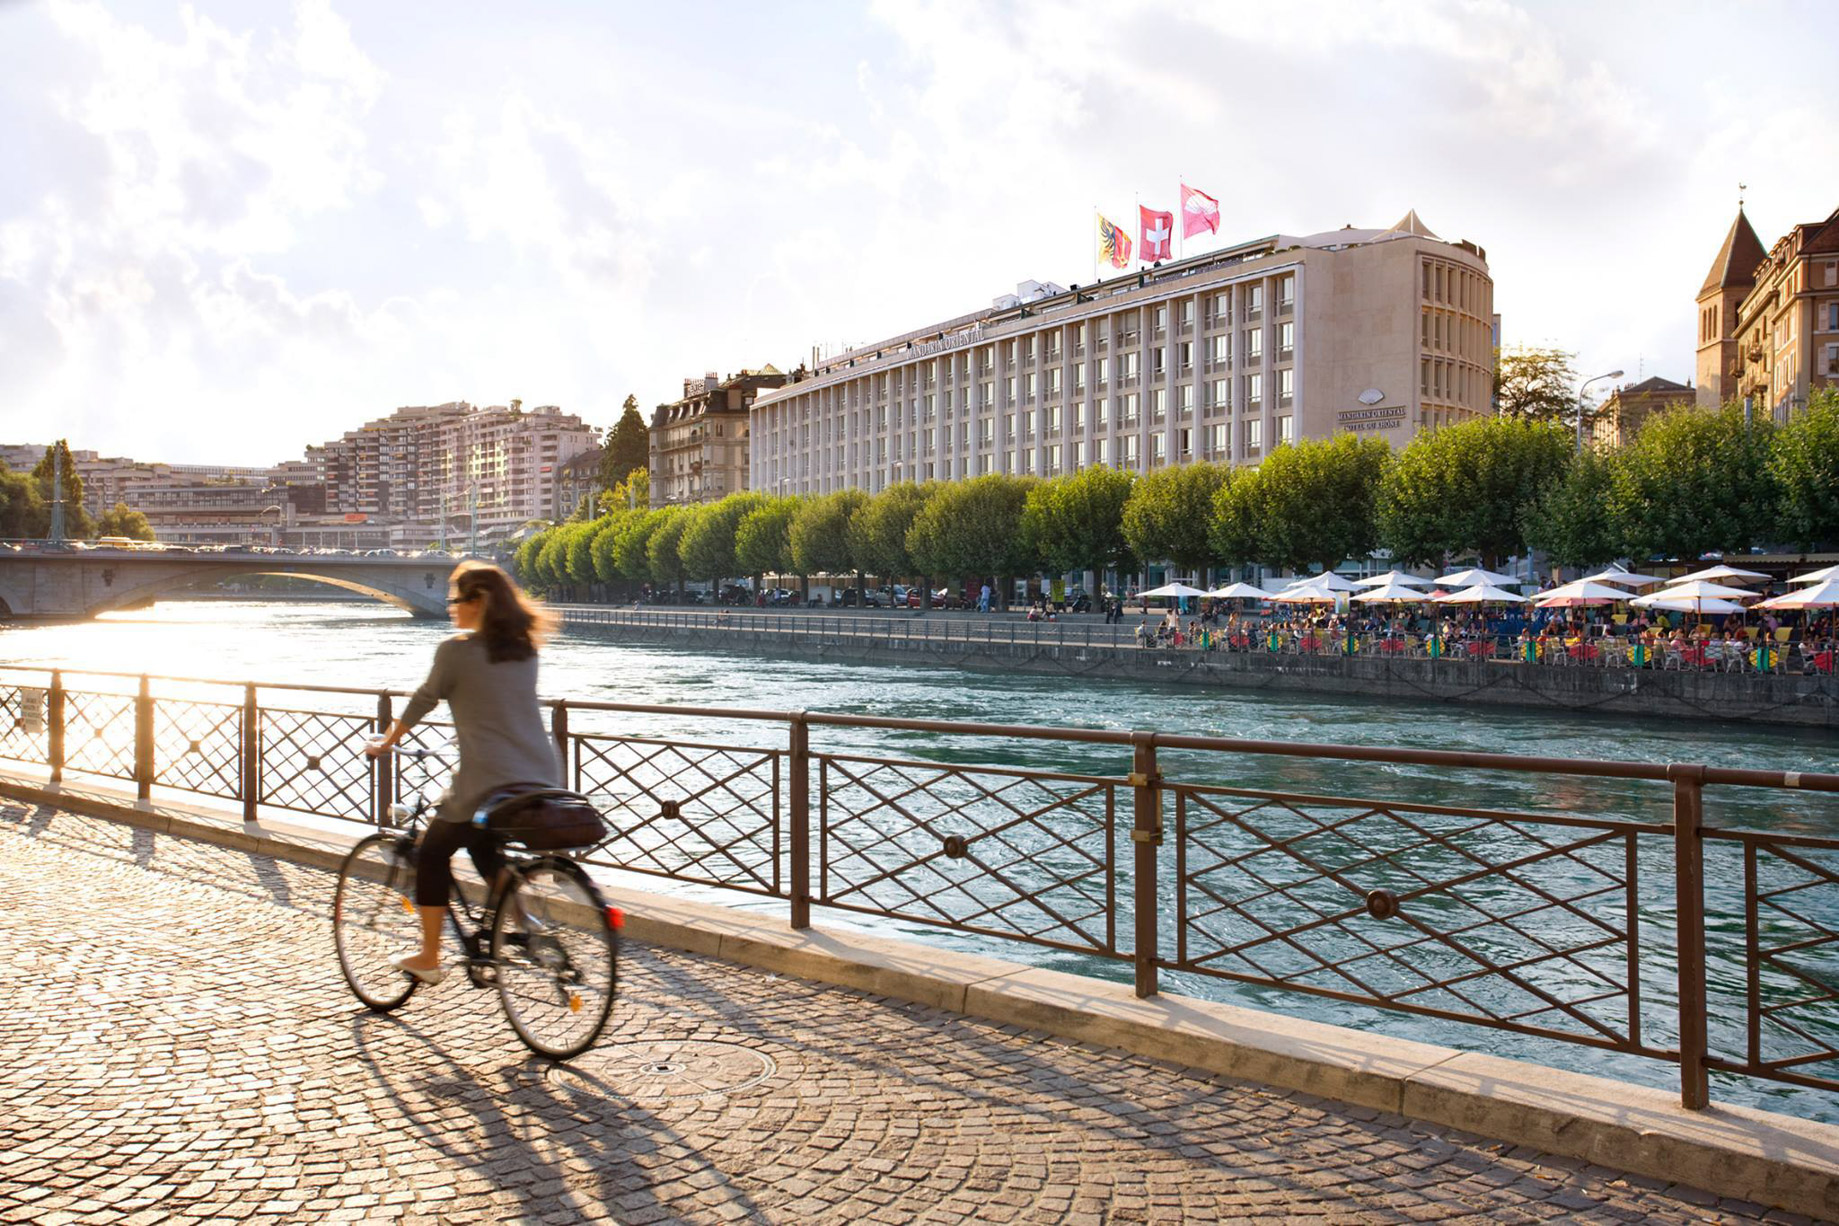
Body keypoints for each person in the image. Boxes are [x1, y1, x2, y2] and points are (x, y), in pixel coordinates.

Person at [364, 561, 561, 985]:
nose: (450, 606)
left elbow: (423, 699)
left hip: (488, 778)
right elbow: (498, 706)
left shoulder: (455, 650)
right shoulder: (524, 648)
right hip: (540, 771)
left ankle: (429, 957)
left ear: (479, 601)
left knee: (432, 853)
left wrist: (386, 742)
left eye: (456, 599)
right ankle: (527, 924)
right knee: (481, 846)